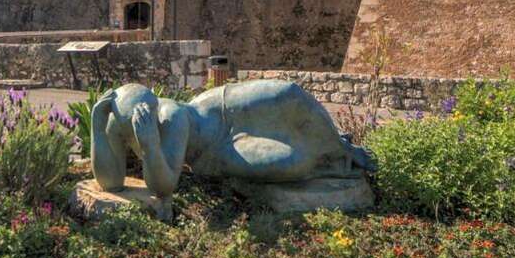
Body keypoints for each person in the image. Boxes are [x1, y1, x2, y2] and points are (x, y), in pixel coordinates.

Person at [91, 80, 373, 206]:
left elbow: (160, 186)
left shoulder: (170, 115)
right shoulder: (116, 121)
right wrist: (97, 127)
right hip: (217, 152)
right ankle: (332, 159)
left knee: (289, 95)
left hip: (219, 108)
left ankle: (342, 148)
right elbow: (122, 184)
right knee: (296, 162)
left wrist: (151, 143)